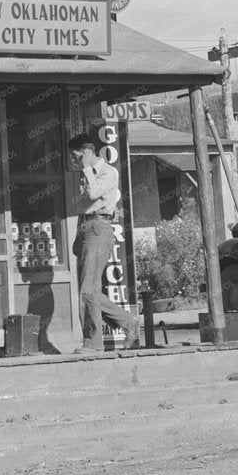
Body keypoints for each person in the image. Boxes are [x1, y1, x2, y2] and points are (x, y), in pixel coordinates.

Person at [68, 132, 140, 352]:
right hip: (86, 228)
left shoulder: (108, 172)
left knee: (87, 290)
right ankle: (128, 323)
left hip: (99, 228)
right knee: (89, 290)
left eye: (77, 157)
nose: (75, 162)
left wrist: (87, 168)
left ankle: (93, 341)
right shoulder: (85, 173)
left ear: (88, 152)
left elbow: (93, 194)